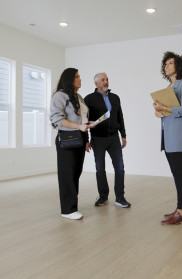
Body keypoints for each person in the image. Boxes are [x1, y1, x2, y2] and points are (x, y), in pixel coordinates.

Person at [153, 51, 182, 225]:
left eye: (170, 63)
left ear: (179, 66)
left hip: (178, 137)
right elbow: (169, 111)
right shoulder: (170, 88)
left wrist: (166, 108)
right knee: (176, 174)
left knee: (179, 174)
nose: (167, 66)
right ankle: (180, 209)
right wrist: (160, 111)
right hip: (168, 136)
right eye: (166, 64)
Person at [84, 73, 131, 208]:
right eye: (102, 80)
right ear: (96, 83)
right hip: (98, 138)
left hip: (114, 138)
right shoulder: (89, 99)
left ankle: (120, 198)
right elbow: (84, 120)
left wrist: (123, 135)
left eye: (107, 79)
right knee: (100, 169)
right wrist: (87, 139)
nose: (106, 82)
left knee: (120, 168)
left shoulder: (115, 97)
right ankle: (103, 196)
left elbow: (120, 117)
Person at [50, 68, 90, 220]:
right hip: (67, 138)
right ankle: (67, 210)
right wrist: (79, 126)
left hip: (80, 137)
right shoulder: (59, 96)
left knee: (75, 173)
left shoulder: (77, 96)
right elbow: (57, 119)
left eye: (80, 76)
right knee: (67, 174)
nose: (80, 79)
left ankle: (72, 206)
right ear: (68, 79)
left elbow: (80, 117)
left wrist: (87, 125)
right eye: (76, 77)